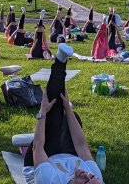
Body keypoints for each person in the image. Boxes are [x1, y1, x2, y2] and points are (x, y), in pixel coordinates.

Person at [23, 43, 104, 184]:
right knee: (71, 116)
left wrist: (42, 113)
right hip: (70, 154)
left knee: (53, 111)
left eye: (85, 181)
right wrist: (68, 108)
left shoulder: (50, 180)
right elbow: (81, 145)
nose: (86, 174)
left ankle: (60, 61)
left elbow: (38, 147)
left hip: (46, 154)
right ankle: (62, 111)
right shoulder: (96, 178)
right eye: (91, 177)